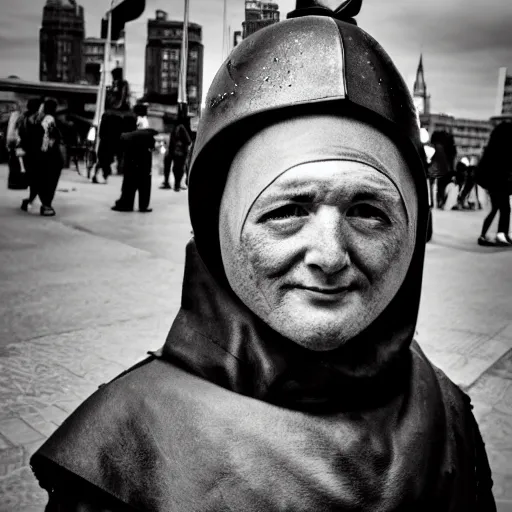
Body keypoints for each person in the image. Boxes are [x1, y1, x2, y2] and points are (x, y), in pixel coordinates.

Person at [31, 2, 496, 510]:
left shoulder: (445, 413)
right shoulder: (123, 450)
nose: (330, 255)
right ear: (222, 231)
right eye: (288, 210)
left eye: (368, 211)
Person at [111, 115, 157, 213]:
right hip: (145, 166)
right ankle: (143, 206)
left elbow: (122, 144)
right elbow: (152, 147)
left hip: (132, 165)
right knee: (144, 188)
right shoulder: (149, 136)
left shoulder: (129, 136)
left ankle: (127, 205)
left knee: (129, 186)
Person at [477, 122, 512, 246]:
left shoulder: (492, 147)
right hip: (500, 183)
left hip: (494, 183)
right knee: (503, 209)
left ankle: (497, 234)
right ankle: (499, 235)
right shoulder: (504, 149)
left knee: (499, 209)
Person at [160, 113, 192, 191]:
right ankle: (174, 184)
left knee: (178, 169)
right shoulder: (176, 128)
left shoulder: (180, 128)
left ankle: (177, 185)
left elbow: (188, 141)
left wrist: (180, 145)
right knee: (176, 168)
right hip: (176, 152)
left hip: (180, 152)